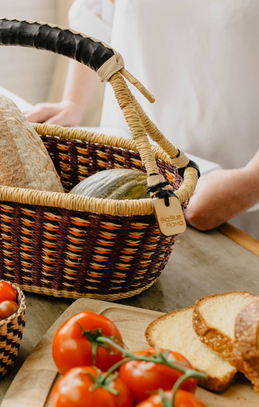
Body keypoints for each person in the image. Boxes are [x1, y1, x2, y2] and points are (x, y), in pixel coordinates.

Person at [25, 0, 259, 234]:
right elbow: (98, 14)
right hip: (126, 166)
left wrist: (251, 182)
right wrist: (73, 102)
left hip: (227, 190)